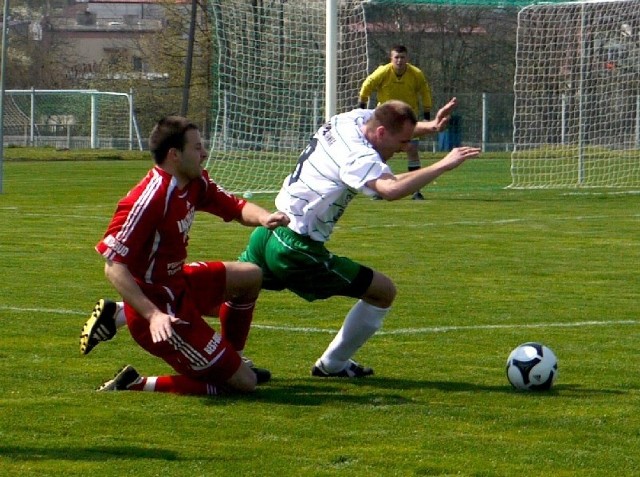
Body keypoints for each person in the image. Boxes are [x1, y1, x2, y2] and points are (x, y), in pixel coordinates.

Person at [83, 99, 480, 379]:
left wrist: (430, 129)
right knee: (383, 292)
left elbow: (389, 127)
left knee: (239, 283)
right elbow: (390, 190)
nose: (401, 150)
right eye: (399, 143)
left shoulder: (351, 118)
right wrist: (444, 163)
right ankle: (333, 365)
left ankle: (124, 314)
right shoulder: (360, 157)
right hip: (298, 246)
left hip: (270, 229)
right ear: (378, 133)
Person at [84, 115, 290, 396]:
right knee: (244, 384)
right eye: (197, 147)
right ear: (175, 155)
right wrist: (154, 315)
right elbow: (113, 266)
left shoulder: (194, 182)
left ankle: (231, 359)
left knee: (250, 275)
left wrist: (265, 217)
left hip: (180, 284)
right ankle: (136, 383)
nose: (204, 153)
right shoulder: (148, 200)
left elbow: (234, 205)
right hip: (163, 313)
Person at [358, 45, 433, 200]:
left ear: (407, 58)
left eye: (402, 57)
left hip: (407, 120)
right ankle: (378, 190)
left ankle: (415, 190)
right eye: (396, 57)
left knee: (411, 149)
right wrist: (362, 107)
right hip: (385, 119)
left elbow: (425, 92)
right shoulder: (383, 72)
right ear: (391, 59)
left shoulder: (416, 74)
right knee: (379, 153)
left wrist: (427, 114)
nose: (399, 60)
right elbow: (367, 85)